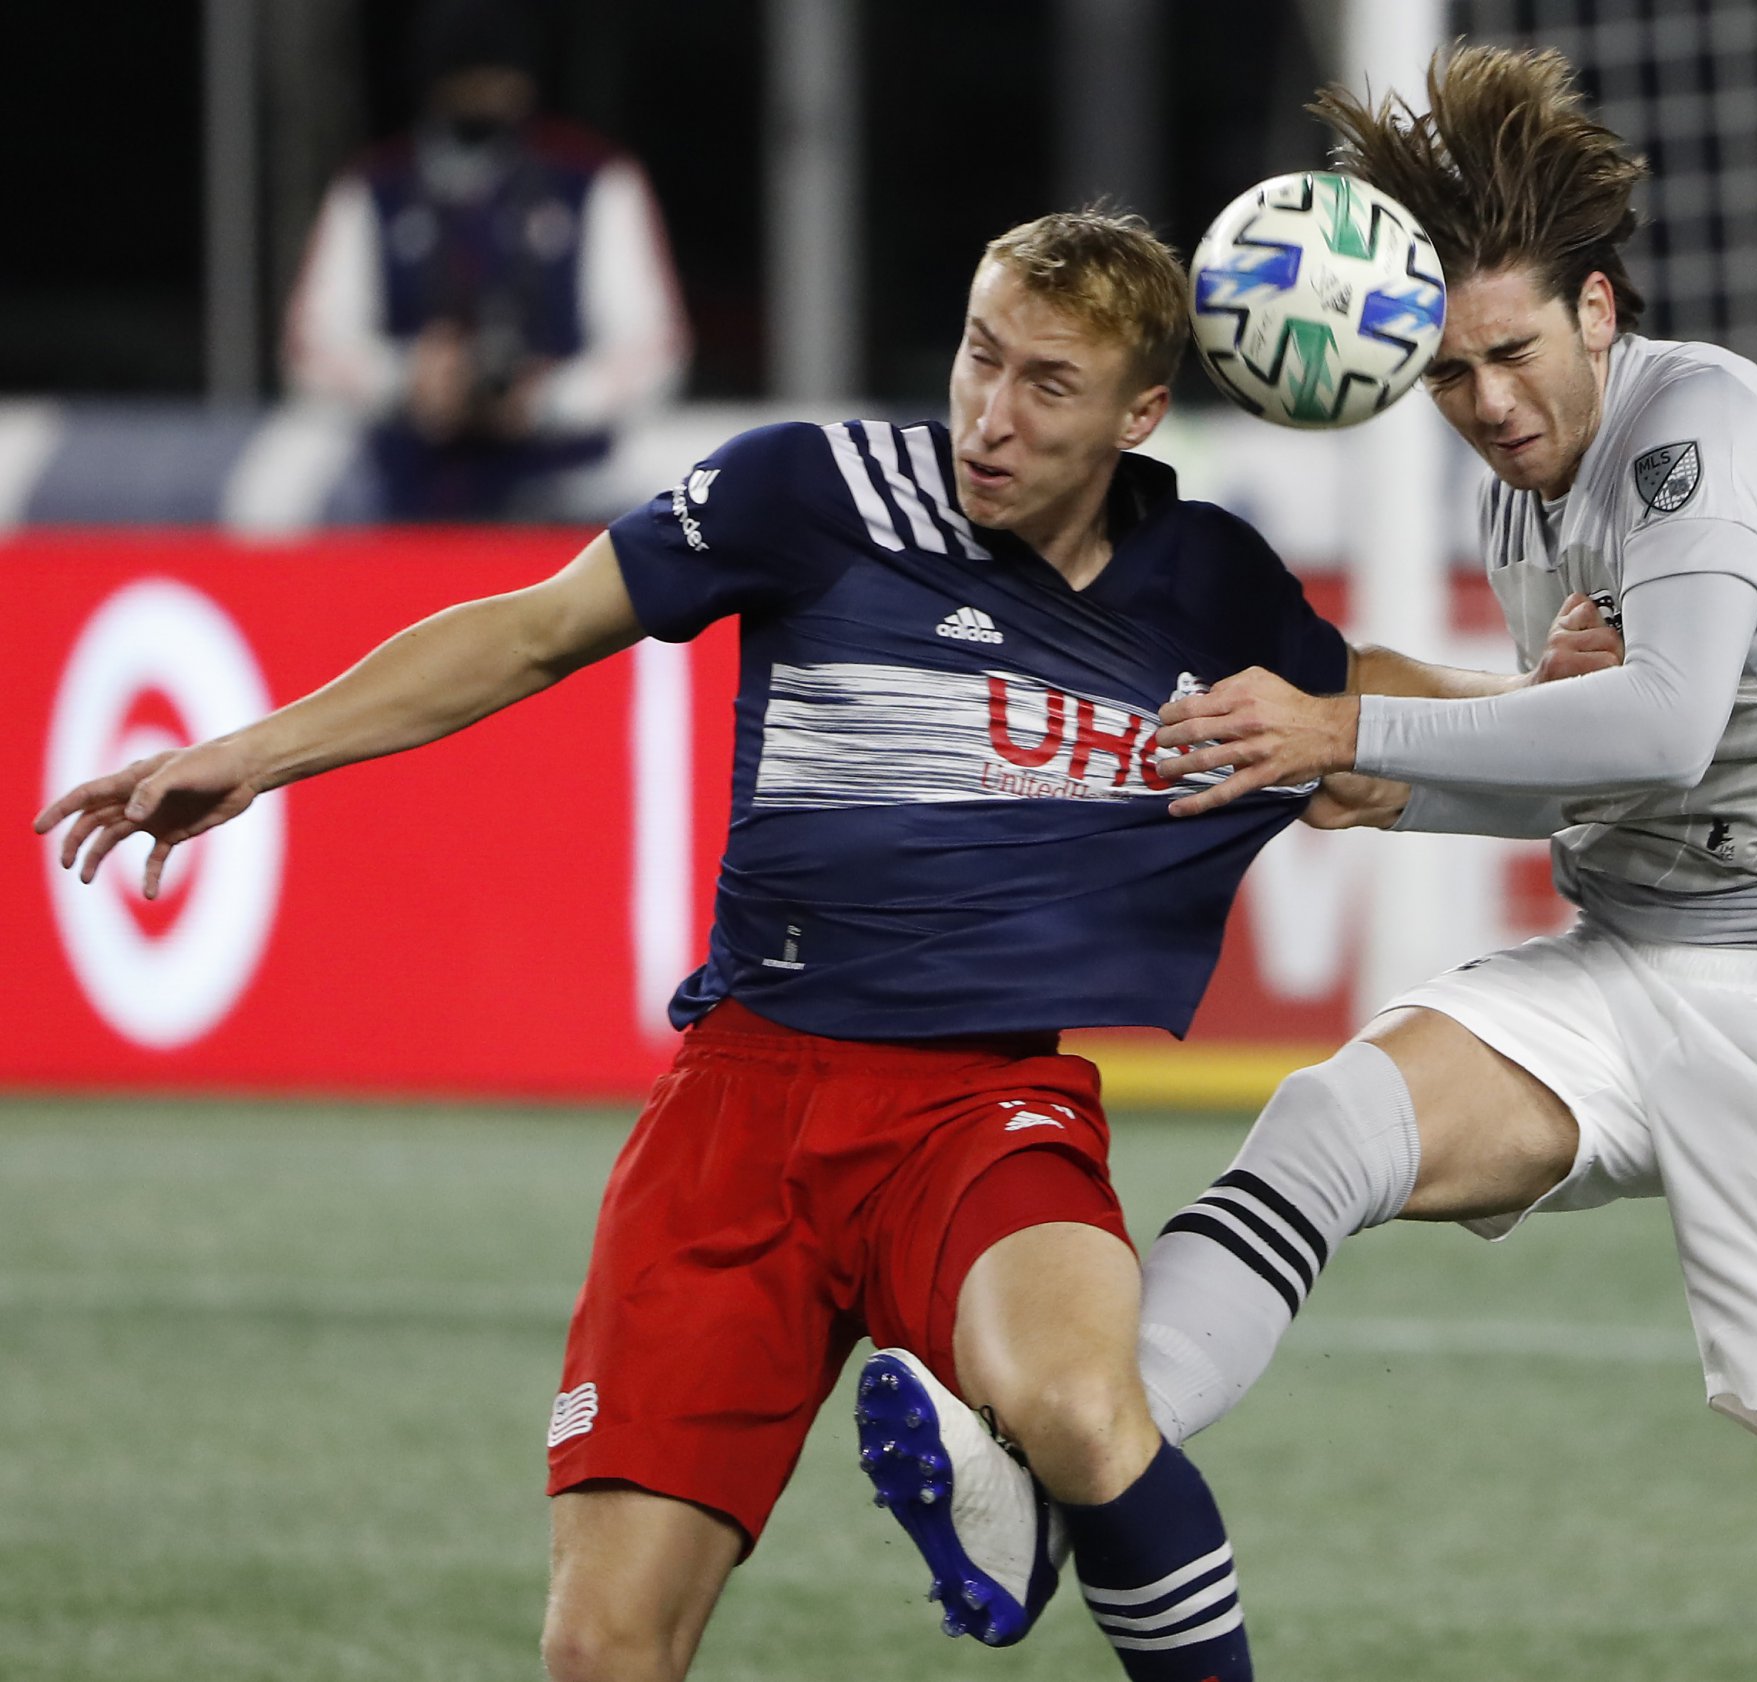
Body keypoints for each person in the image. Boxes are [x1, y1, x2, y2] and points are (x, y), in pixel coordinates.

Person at [38, 208, 1589, 1682]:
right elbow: (528, 627)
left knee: (1079, 1404)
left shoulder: (1210, 586)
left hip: (980, 1110)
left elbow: (1360, 715)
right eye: (982, 353)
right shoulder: (812, 491)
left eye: (1049, 383)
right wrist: (260, 750)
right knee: (602, 1645)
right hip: (740, 1107)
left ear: (1140, 416)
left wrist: (1560, 705)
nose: (991, 411)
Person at [1129, 46, 1757, 1682]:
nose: (1490, 407)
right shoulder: (1523, 510)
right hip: (1629, 971)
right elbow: (1587, 785)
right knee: (1331, 1118)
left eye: (1514, 356)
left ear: (1597, 310)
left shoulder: (1704, 419)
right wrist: (1394, 780)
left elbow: (1666, 726)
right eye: (1450, 376)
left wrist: (1356, 735)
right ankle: (1066, 1456)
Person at [282, 0, 688, 520]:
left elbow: (655, 349)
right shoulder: (376, 186)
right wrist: (408, 377)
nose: (488, 98)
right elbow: (310, 348)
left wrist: (547, 399)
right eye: (470, 81)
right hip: (407, 482)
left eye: (500, 79)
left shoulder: (591, 178)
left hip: (567, 482)